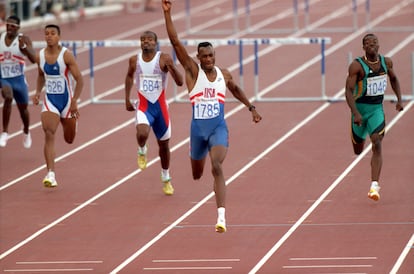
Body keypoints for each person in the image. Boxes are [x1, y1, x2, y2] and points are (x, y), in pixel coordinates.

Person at [162, 0, 262, 233]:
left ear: (215, 56)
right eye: (204, 56)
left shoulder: (223, 74)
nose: (209, 59)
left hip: (218, 128)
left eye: (211, 56)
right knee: (197, 174)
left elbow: (235, 89)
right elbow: (175, 42)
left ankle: (221, 217)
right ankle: (198, 159)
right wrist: (167, 14)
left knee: (216, 165)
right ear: (198, 57)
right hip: (197, 131)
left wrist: (251, 107)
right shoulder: (192, 71)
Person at [345, 33, 403, 201]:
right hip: (359, 111)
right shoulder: (356, 66)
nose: (372, 45)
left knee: (377, 142)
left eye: (374, 42)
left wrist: (399, 99)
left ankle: (374, 186)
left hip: (376, 109)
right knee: (357, 150)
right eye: (368, 43)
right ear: (363, 47)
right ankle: (359, 137)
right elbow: (348, 90)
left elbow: (394, 79)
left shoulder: (387, 62)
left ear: (379, 45)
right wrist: (355, 112)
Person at [125, 30, 183, 196]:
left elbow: (180, 82)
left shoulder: (163, 59)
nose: (146, 42)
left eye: (150, 39)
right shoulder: (134, 60)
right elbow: (129, 77)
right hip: (144, 106)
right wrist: (127, 99)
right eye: (143, 40)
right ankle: (142, 149)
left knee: (164, 146)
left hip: (160, 108)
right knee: (142, 133)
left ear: (156, 43)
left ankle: (166, 177)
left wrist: (172, 68)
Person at [32, 24, 83, 187]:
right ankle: (51, 174)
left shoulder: (66, 55)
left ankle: (72, 124)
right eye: (46, 34)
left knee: (69, 139)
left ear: (59, 36)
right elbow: (41, 75)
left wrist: (74, 101)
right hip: (50, 101)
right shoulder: (40, 56)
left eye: (52, 33)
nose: (49, 36)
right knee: (48, 132)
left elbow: (80, 80)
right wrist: (38, 92)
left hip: (67, 101)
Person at [0, 15, 36, 148]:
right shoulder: (0, 37)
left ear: (18, 28)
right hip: (3, 77)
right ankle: (4, 132)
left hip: (18, 79)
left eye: (13, 26)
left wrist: (25, 49)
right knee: (8, 97)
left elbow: (34, 59)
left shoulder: (23, 39)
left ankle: (26, 131)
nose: (9, 28)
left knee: (24, 110)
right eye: (8, 25)